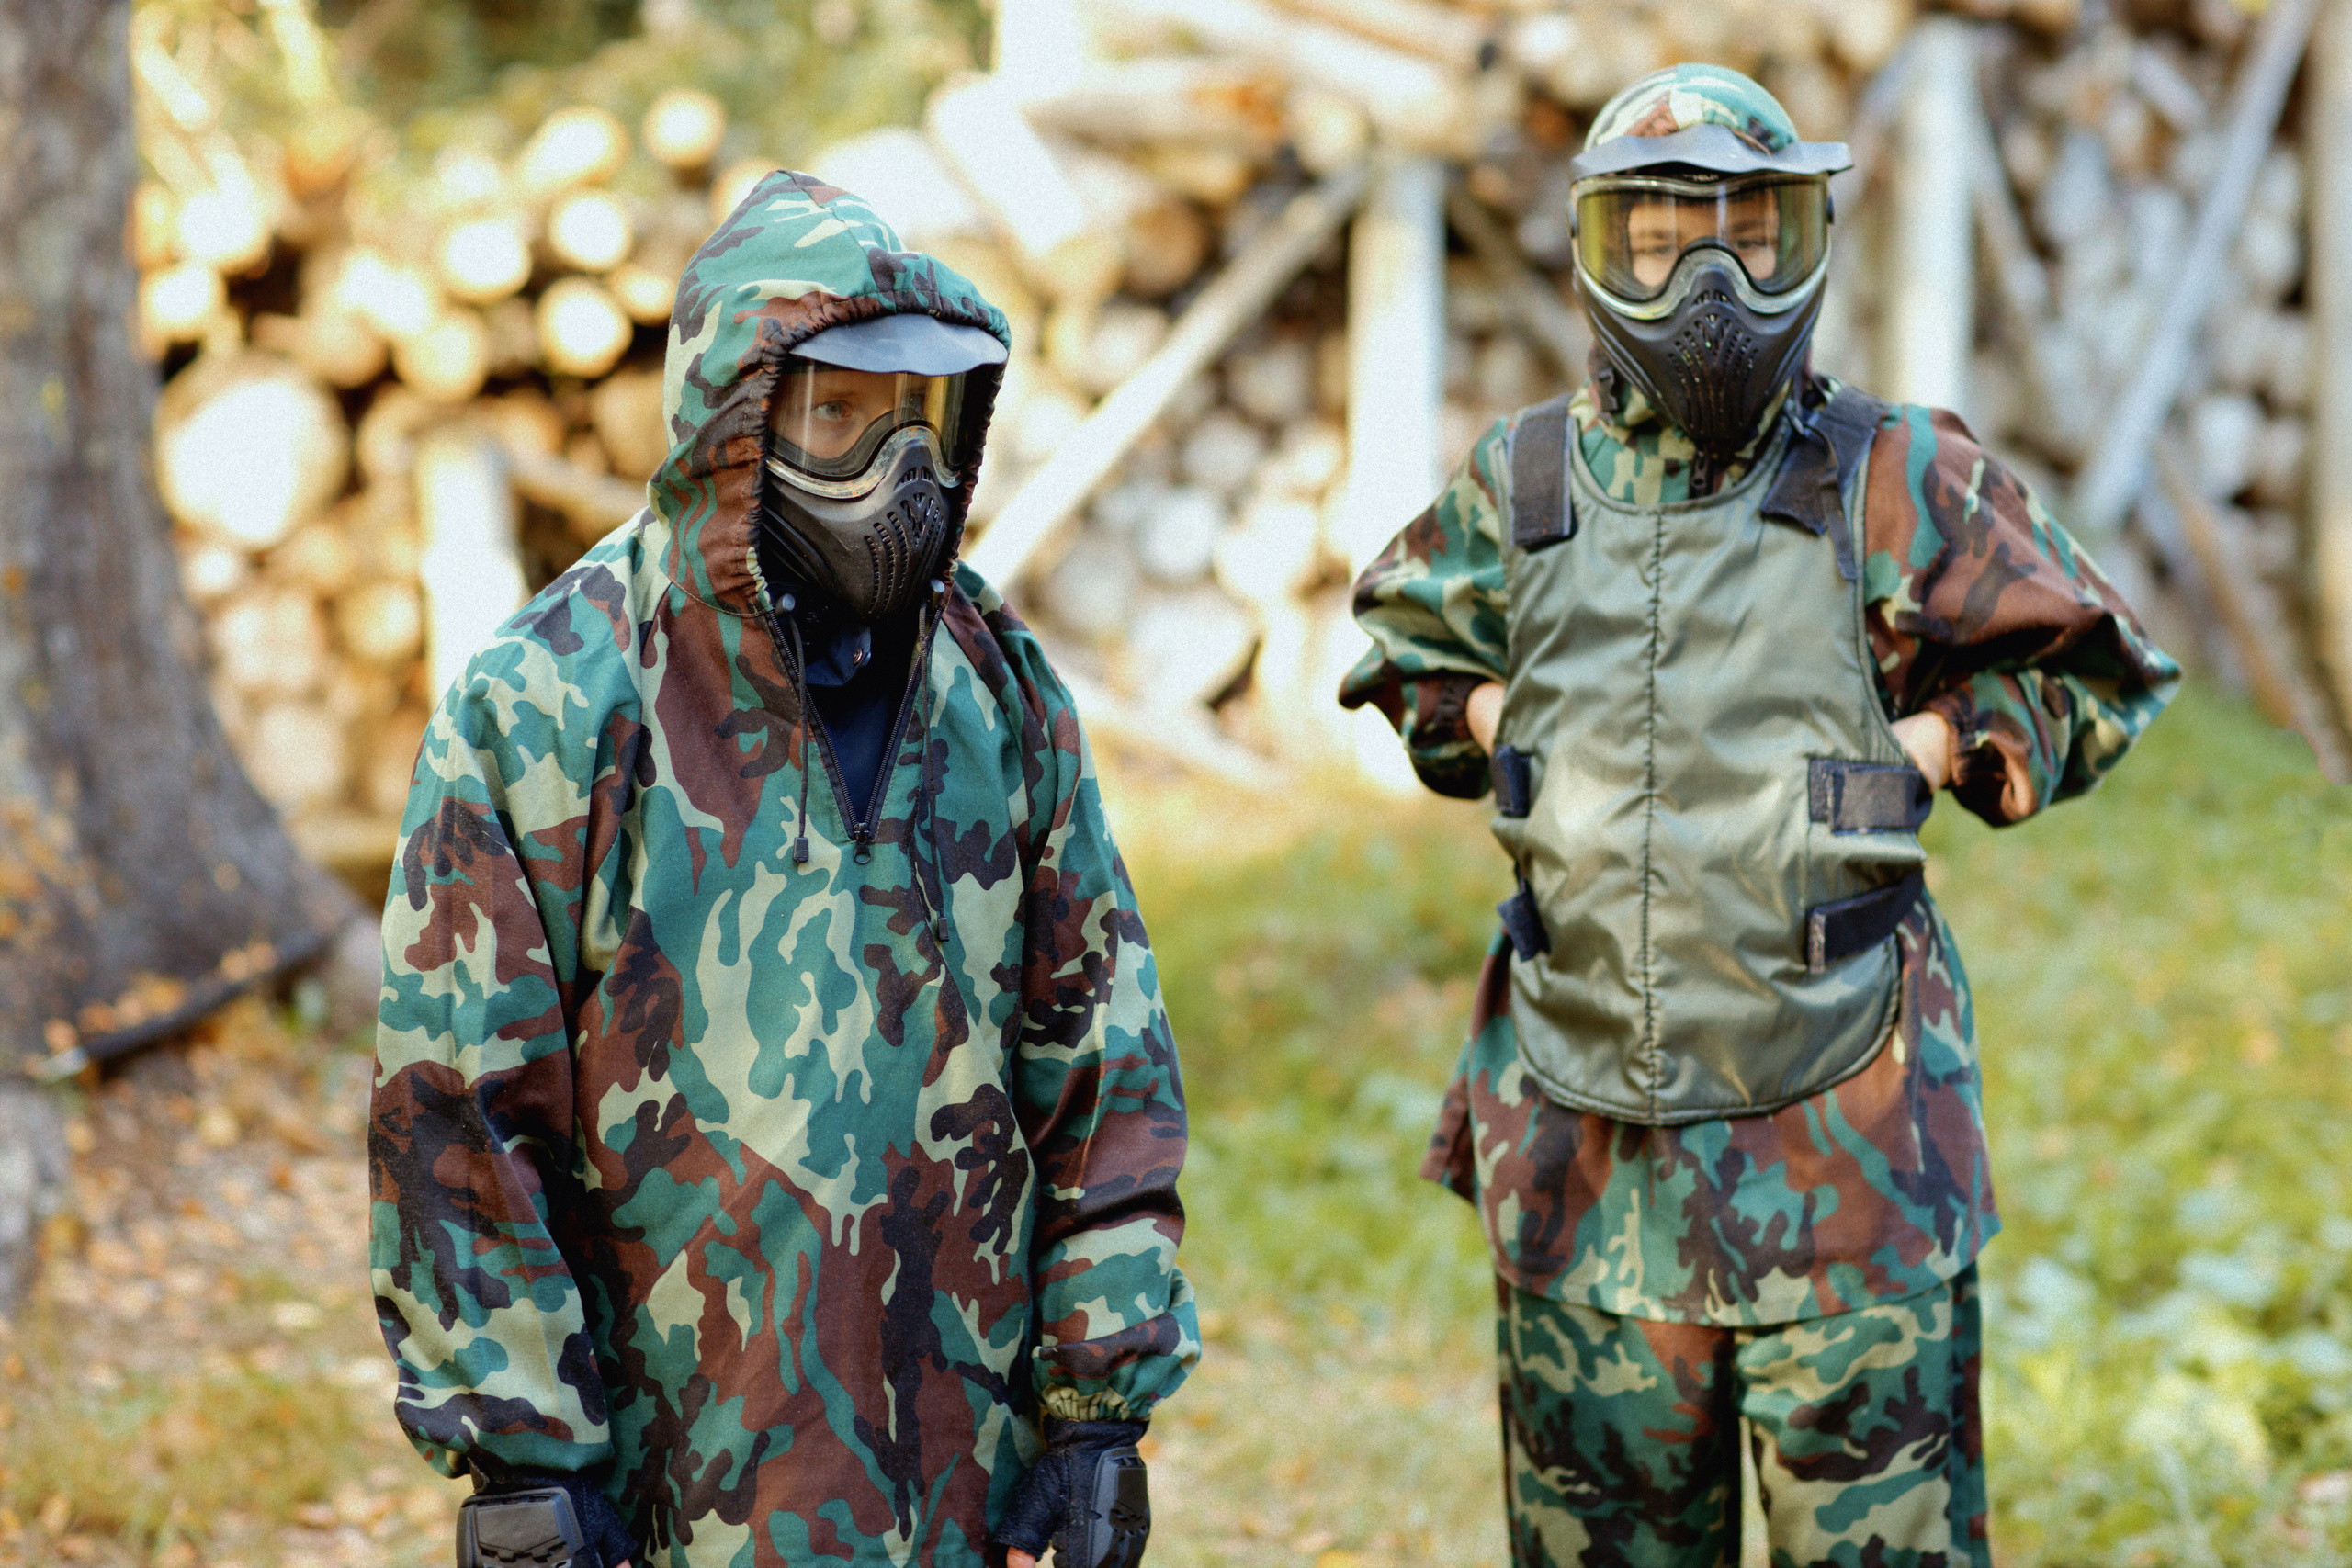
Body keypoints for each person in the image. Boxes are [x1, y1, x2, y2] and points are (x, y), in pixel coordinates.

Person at [1340, 66, 2179, 1568]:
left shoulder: (1895, 473)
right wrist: (1498, 722)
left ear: (1813, 238)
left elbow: (2099, 669)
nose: (1712, 283)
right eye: (1665, 239)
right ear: (1600, 251)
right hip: (1585, 1184)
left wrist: (1927, 744)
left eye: (1753, 232)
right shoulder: (1527, 483)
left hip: (1850, 1176)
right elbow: (1403, 657)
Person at [370, 169, 1193, 1568]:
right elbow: (459, 1117)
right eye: (837, 415)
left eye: (917, 423)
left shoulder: (997, 689)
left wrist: (1099, 1409)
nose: (897, 471)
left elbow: (1102, 1060)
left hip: (967, 1491)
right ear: (733, 423)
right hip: (671, 1492)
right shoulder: (550, 705)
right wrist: (521, 1461)